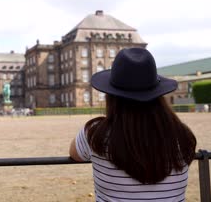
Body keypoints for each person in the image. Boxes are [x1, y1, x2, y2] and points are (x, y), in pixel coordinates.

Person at [69, 47, 197, 201]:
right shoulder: (182, 135)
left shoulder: (95, 133)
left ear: (111, 96)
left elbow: (74, 154)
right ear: (158, 95)